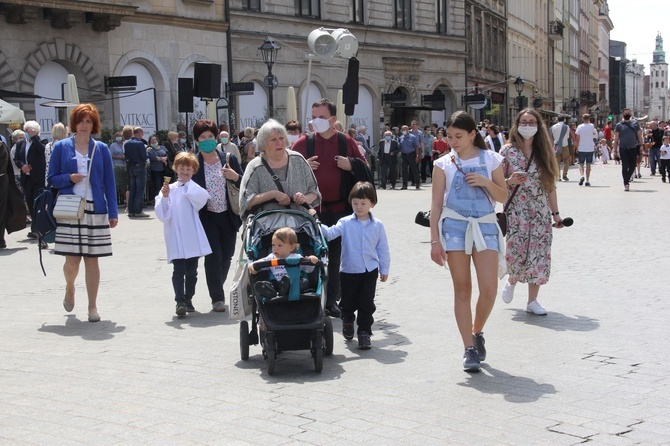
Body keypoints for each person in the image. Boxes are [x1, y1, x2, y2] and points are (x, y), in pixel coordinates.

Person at [429, 111, 507, 373]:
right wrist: (434, 241)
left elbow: (504, 196)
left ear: (473, 134)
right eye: (449, 136)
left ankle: (477, 331)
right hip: (454, 227)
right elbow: (436, 205)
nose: (453, 141)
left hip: (484, 225)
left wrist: (486, 182)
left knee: (489, 289)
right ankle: (468, 349)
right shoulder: (443, 164)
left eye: (458, 136)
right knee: (462, 289)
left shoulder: (492, 159)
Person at [291, 98, 367, 318]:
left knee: (335, 257)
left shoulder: (346, 142)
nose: (316, 121)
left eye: (322, 117)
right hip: (308, 210)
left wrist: (351, 164)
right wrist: (304, 165)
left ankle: (332, 301)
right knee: (307, 255)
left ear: (334, 120)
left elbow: (365, 170)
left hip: (340, 208)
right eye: (314, 117)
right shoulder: (303, 143)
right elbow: (285, 170)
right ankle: (308, 297)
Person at [47, 104, 118, 323]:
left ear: (93, 124)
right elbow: (51, 179)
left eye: (88, 121)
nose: (84, 125)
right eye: (81, 121)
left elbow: (109, 182)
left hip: (95, 208)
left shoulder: (102, 148)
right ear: (74, 124)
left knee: (92, 259)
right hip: (70, 208)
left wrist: (113, 211)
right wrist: (69, 177)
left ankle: (92, 307)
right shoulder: (61, 147)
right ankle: (70, 288)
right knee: (72, 261)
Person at [500, 108, 562, 318]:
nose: (527, 126)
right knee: (516, 251)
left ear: (538, 126)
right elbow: (496, 183)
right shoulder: (507, 151)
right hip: (517, 211)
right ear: (516, 125)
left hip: (540, 212)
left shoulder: (545, 151)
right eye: (523, 122)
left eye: (532, 122)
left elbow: (550, 186)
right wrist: (510, 181)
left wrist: (556, 214)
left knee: (539, 254)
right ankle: (511, 280)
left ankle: (532, 301)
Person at [320, 182, 390, 350]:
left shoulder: (378, 225)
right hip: (349, 271)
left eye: (363, 203)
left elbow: (383, 248)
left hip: (370, 270)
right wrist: (316, 223)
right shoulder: (344, 222)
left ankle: (364, 332)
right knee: (348, 302)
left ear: (372, 204)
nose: (359, 207)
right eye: (355, 203)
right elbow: (330, 234)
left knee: (367, 302)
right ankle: (348, 321)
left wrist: (384, 268)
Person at [191, 119, 244, 312]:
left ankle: (217, 285)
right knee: (213, 256)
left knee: (227, 255)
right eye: (202, 137)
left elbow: (244, 183)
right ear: (197, 141)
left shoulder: (228, 158)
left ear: (216, 138)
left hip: (228, 215)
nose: (207, 140)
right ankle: (217, 297)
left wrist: (234, 177)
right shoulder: (193, 163)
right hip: (206, 217)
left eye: (210, 137)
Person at [155, 152, 212, 316]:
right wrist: (165, 197)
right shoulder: (169, 189)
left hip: (191, 235)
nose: (185, 172)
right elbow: (163, 214)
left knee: (192, 271)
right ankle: (179, 301)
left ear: (193, 171)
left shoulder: (194, 188)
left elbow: (201, 199)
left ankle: (188, 298)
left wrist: (187, 187)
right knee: (178, 270)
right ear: (176, 169)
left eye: (189, 169)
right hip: (175, 236)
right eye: (182, 168)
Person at [240, 119, 321, 216]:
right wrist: (273, 194)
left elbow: (315, 193)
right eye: (273, 139)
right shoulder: (255, 167)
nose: (279, 143)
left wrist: (304, 199)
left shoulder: (298, 159)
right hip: (267, 228)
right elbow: (245, 203)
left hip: (300, 226)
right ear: (263, 144)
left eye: (282, 138)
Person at [249, 227, 318, 297]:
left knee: (304, 282)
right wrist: (253, 265)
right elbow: (261, 263)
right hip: (277, 284)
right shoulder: (271, 257)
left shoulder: (296, 257)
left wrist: (311, 260)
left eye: (279, 245)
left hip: (294, 283)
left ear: (291, 248)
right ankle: (270, 291)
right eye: (273, 245)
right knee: (267, 284)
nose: (275, 248)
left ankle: (286, 289)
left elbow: (308, 270)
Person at [13, 120, 46, 239]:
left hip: (38, 178)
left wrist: (35, 138)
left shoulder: (41, 141)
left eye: (30, 131)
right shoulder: (21, 143)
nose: (27, 133)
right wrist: (22, 166)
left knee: (38, 204)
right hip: (26, 178)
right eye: (26, 130)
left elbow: (42, 151)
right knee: (30, 202)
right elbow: (17, 158)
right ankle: (34, 228)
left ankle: (39, 229)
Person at [0, 139, 28, 249]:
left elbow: (4, 164)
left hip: (1, 181)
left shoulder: (1, 145)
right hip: (2, 180)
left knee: (1, 211)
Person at [612, 108, 644, 191]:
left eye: (628, 113)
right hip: (623, 149)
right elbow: (616, 139)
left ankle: (627, 178)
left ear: (630, 114)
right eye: (625, 113)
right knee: (625, 166)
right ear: (623, 114)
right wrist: (615, 151)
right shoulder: (619, 125)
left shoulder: (635, 124)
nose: (627, 114)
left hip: (633, 148)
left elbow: (639, 135)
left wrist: (641, 145)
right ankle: (626, 183)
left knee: (633, 166)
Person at [124, 127, 149, 217]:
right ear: (139, 133)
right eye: (141, 134)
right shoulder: (140, 143)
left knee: (132, 189)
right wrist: (147, 152)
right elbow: (144, 157)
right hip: (140, 167)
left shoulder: (127, 143)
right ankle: (138, 211)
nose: (142, 136)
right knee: (140, 189)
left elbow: (126, 156)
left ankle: (131, 210)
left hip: (130, 167)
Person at [574, 113, 597, 186]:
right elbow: (594, 134)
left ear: (582, 119)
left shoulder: (579, 127)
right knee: (588, 165)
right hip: (590, 148)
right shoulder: (592, 126)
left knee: (581, 164)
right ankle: (587, 180)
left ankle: (582, 176)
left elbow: (577, 139)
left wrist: (576, 147)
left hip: (581, 148)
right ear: (589, 119)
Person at [398, 124, 421, 190]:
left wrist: (417, 156)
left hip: (412, 154)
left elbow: (417, 147)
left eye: (404, 130)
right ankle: (404, 185)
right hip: (404, 155)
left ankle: (417, 182)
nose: (403, 131)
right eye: (402, 130)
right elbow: (400, 146)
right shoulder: (401, 137)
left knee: (414, 169)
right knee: (404, 170)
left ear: (408, 130)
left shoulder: (413, 137)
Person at [550, 116, 570, 181]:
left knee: (556, 162)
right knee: (566, 160)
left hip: (556, 145)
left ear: (557, 119)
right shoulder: (566, 127)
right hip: (564, 145)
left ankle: (558, 176)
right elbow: (567, 136)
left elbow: (551, 136)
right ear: (564, 119)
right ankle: (564, 174)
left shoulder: (553, 127)